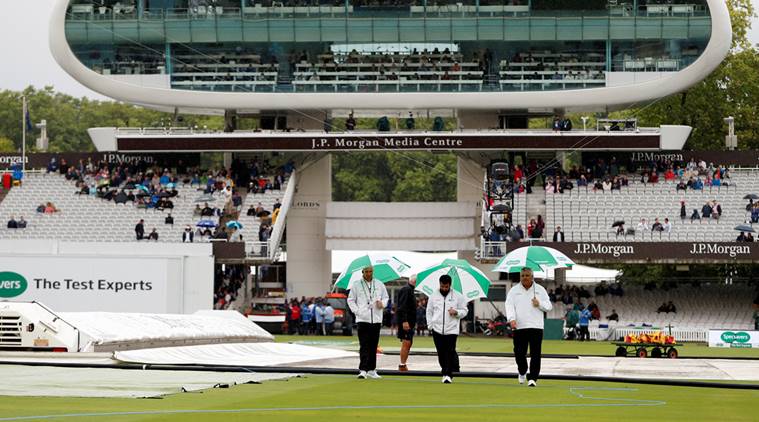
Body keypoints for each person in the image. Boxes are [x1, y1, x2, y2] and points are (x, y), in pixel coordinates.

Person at [505, 267, 552, 387]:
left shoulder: (540, 290)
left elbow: (549, 306)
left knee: (536, 353)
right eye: (522, 276)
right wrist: (512, 319)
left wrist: (539, 304)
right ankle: (522, 371)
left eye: (527, 275)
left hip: (536, 326)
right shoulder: (514, 290)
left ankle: (533, 378)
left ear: (532, 277)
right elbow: (509, 305)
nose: (524, 278)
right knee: (519, 352)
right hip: (519, 326)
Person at [347, 265, 389, 380]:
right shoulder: (356, 285)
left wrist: (383, 304)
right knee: (364, 345)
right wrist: (357, 311)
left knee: (373, 345)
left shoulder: (379, 284)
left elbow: (386, 297)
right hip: (362, 319)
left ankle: (372, 369)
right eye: (366, 271)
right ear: (362, 272)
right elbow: (350, 300)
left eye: (370, 271)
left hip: (376, 319)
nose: (368, 274)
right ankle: (363, 369)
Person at [426, 274, 468, 384]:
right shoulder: (433, 296)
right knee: (440, 352)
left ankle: (447, 374)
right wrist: (430, 325)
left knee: (449, 352)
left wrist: (457, 312)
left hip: (452, 329)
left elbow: (465, 310)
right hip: (437, 329)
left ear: (450, 285)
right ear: (439, 284)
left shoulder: (458, 296)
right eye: (442, 286)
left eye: (446, 287)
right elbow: (429, 311)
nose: (444, 288)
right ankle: (446, 370)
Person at [396, 274, 418, 372]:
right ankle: (402, 365)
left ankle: (403, 364)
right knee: (406, 341)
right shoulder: (406, 290)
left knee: (409, 342)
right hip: (406, 321)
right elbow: (402, 306)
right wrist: (404, 321)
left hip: (410, 321)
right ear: (414, 281)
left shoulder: (410, 290)